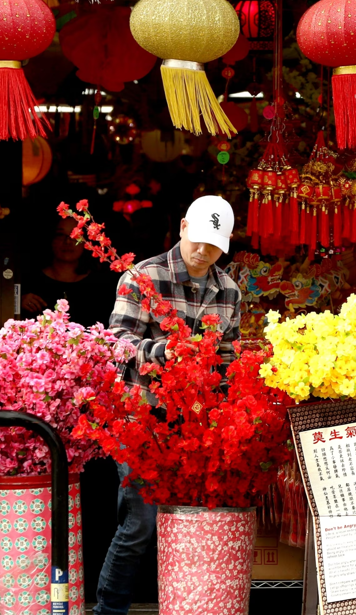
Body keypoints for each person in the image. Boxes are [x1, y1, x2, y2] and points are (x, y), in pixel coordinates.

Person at [95, 195, 242, 615]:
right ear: (182, 227)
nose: (202, 251)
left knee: (192, 523)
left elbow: (228, 355)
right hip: (141, 416)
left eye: (213, 245)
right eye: (197, 239)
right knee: (139, 524)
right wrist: (166, 352)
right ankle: (110, 610)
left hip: (196, 426)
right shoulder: (141, 277)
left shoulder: (228, 290)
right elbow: (116, 343)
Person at [19, 216, 114, 327]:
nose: (68, 241)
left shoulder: (101, 285)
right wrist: (17, 302)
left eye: (76, 235)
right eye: (60, 235)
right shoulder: (30, 280)